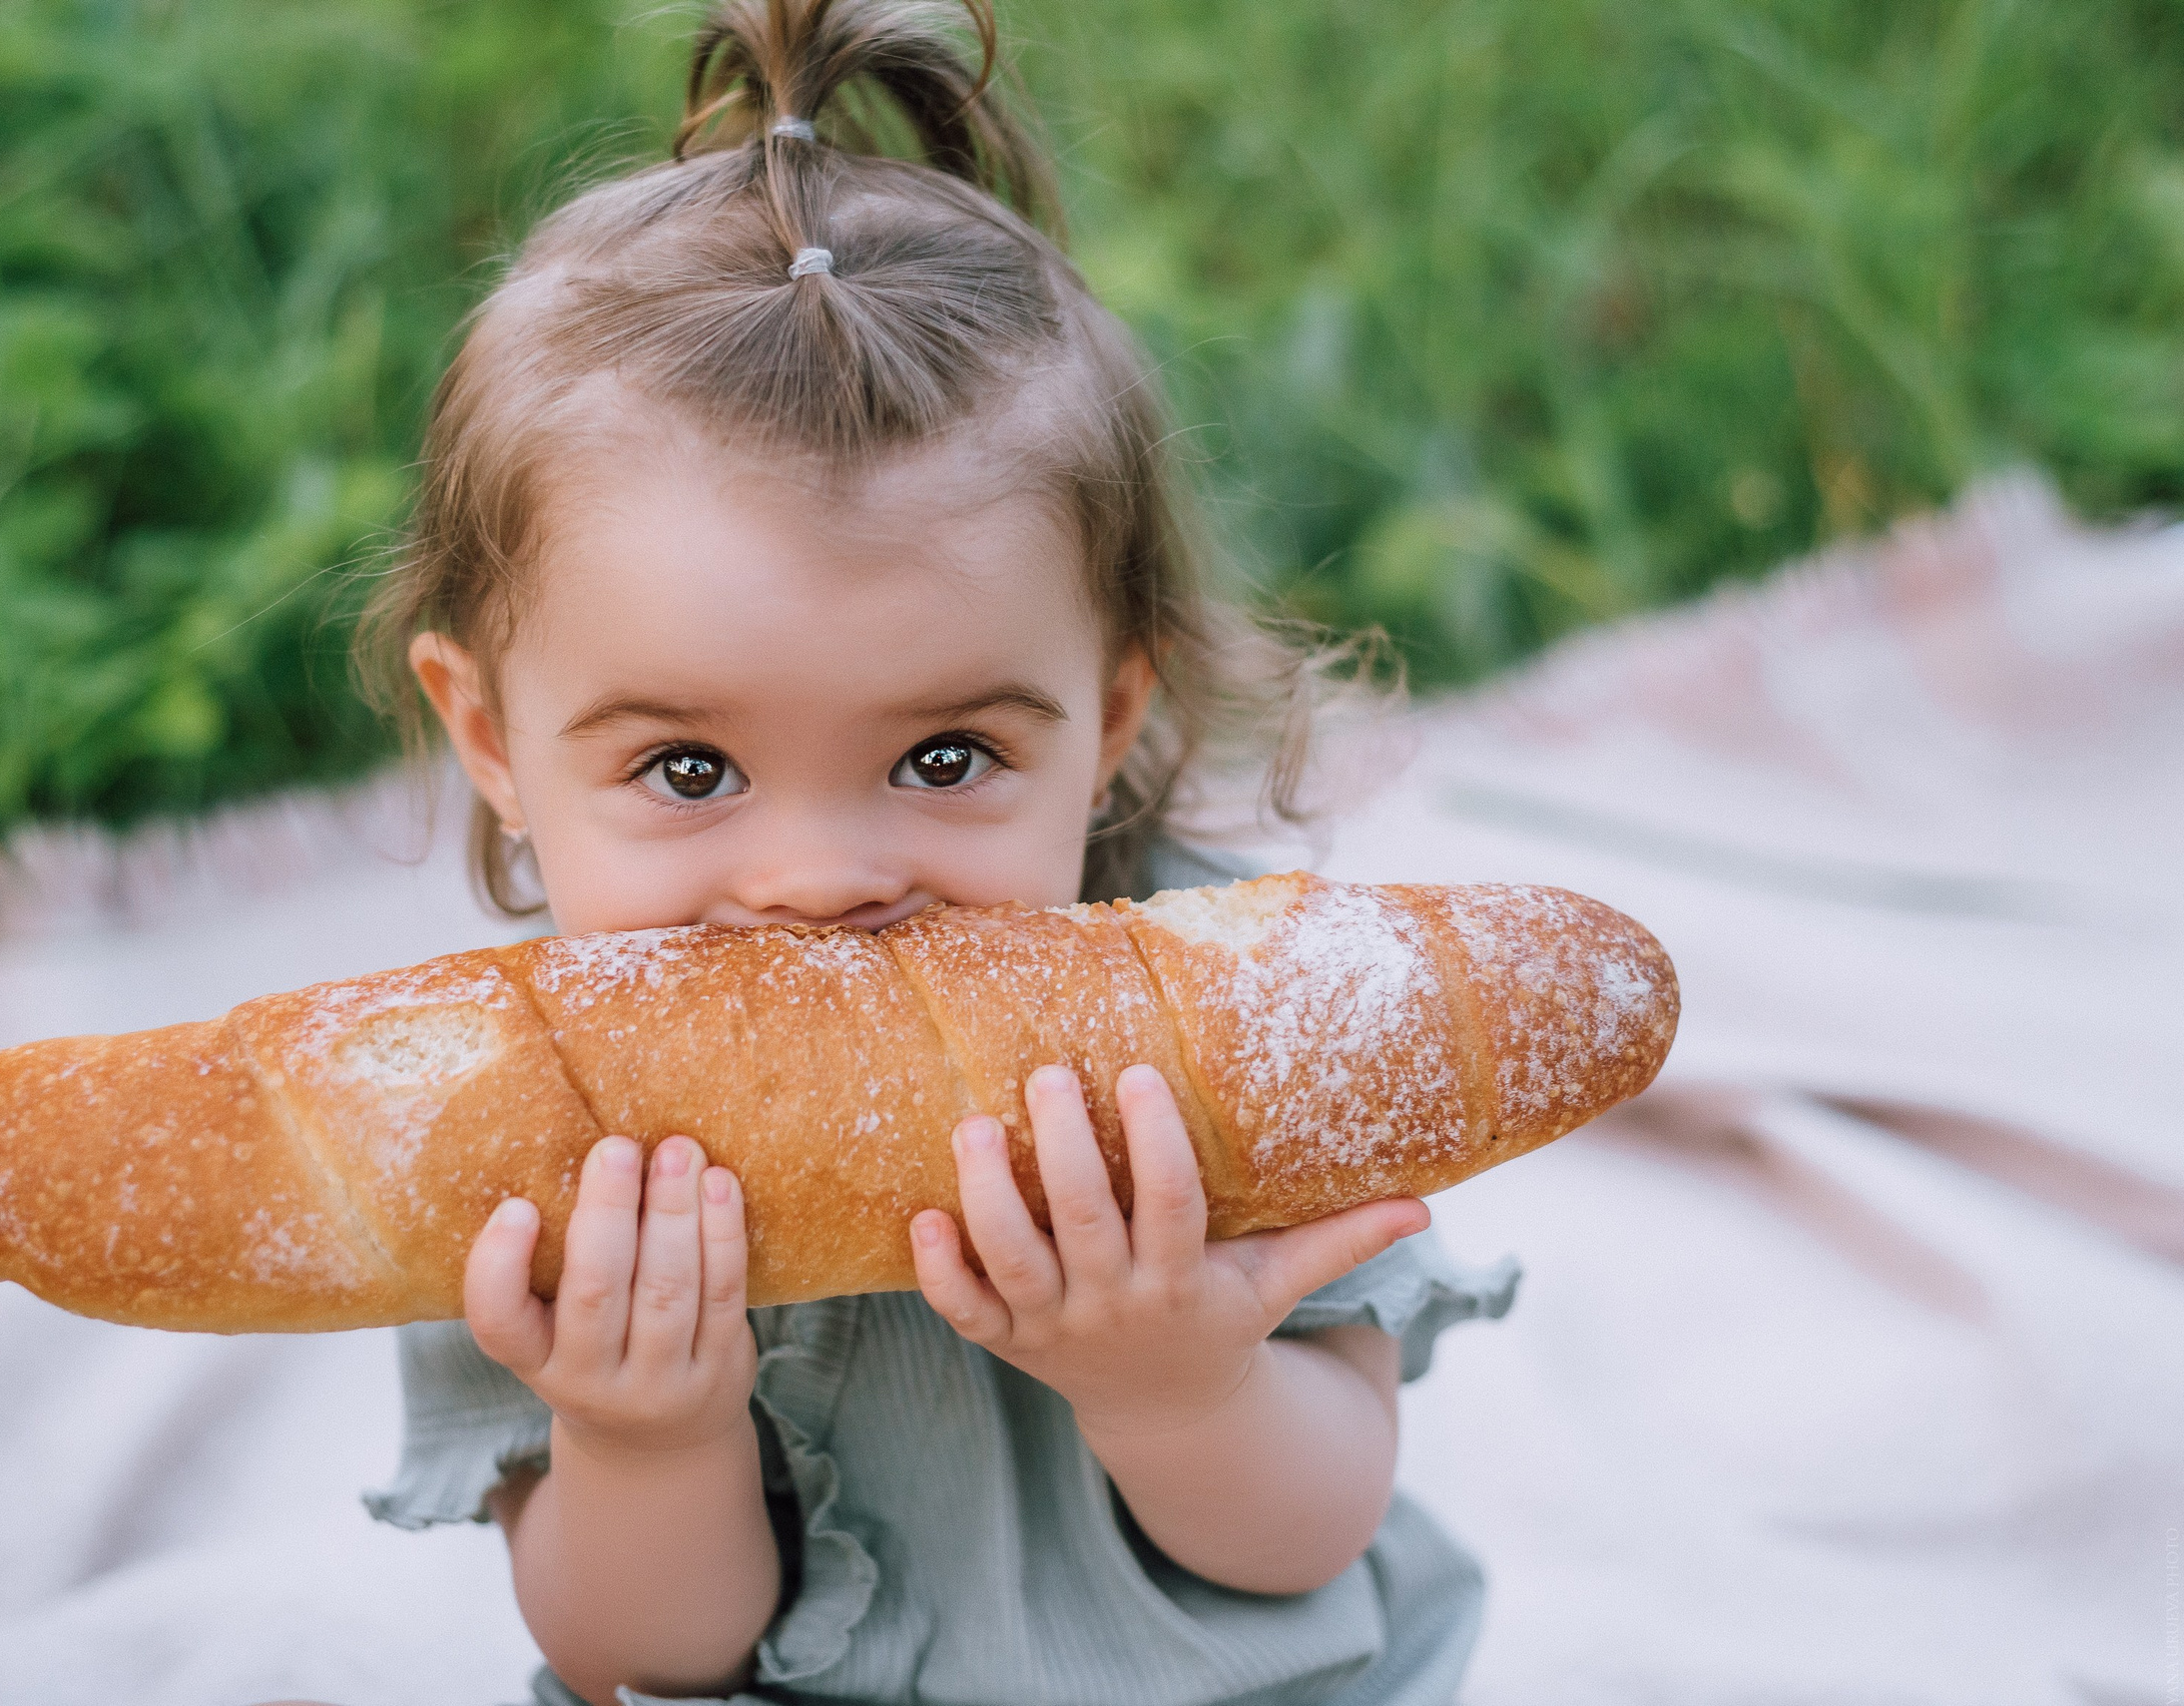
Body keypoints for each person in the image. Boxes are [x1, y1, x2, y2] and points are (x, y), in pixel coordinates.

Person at [342, 3, 1520, 1702]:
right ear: (490, 739)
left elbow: (1314, 1533)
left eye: (945, 756)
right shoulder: (536, 1133)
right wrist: (637, 1430)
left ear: (1111, 715)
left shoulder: (1220, 1010)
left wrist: (1177, 1382)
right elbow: (638, 1655)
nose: (821, 877)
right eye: (688, 766)